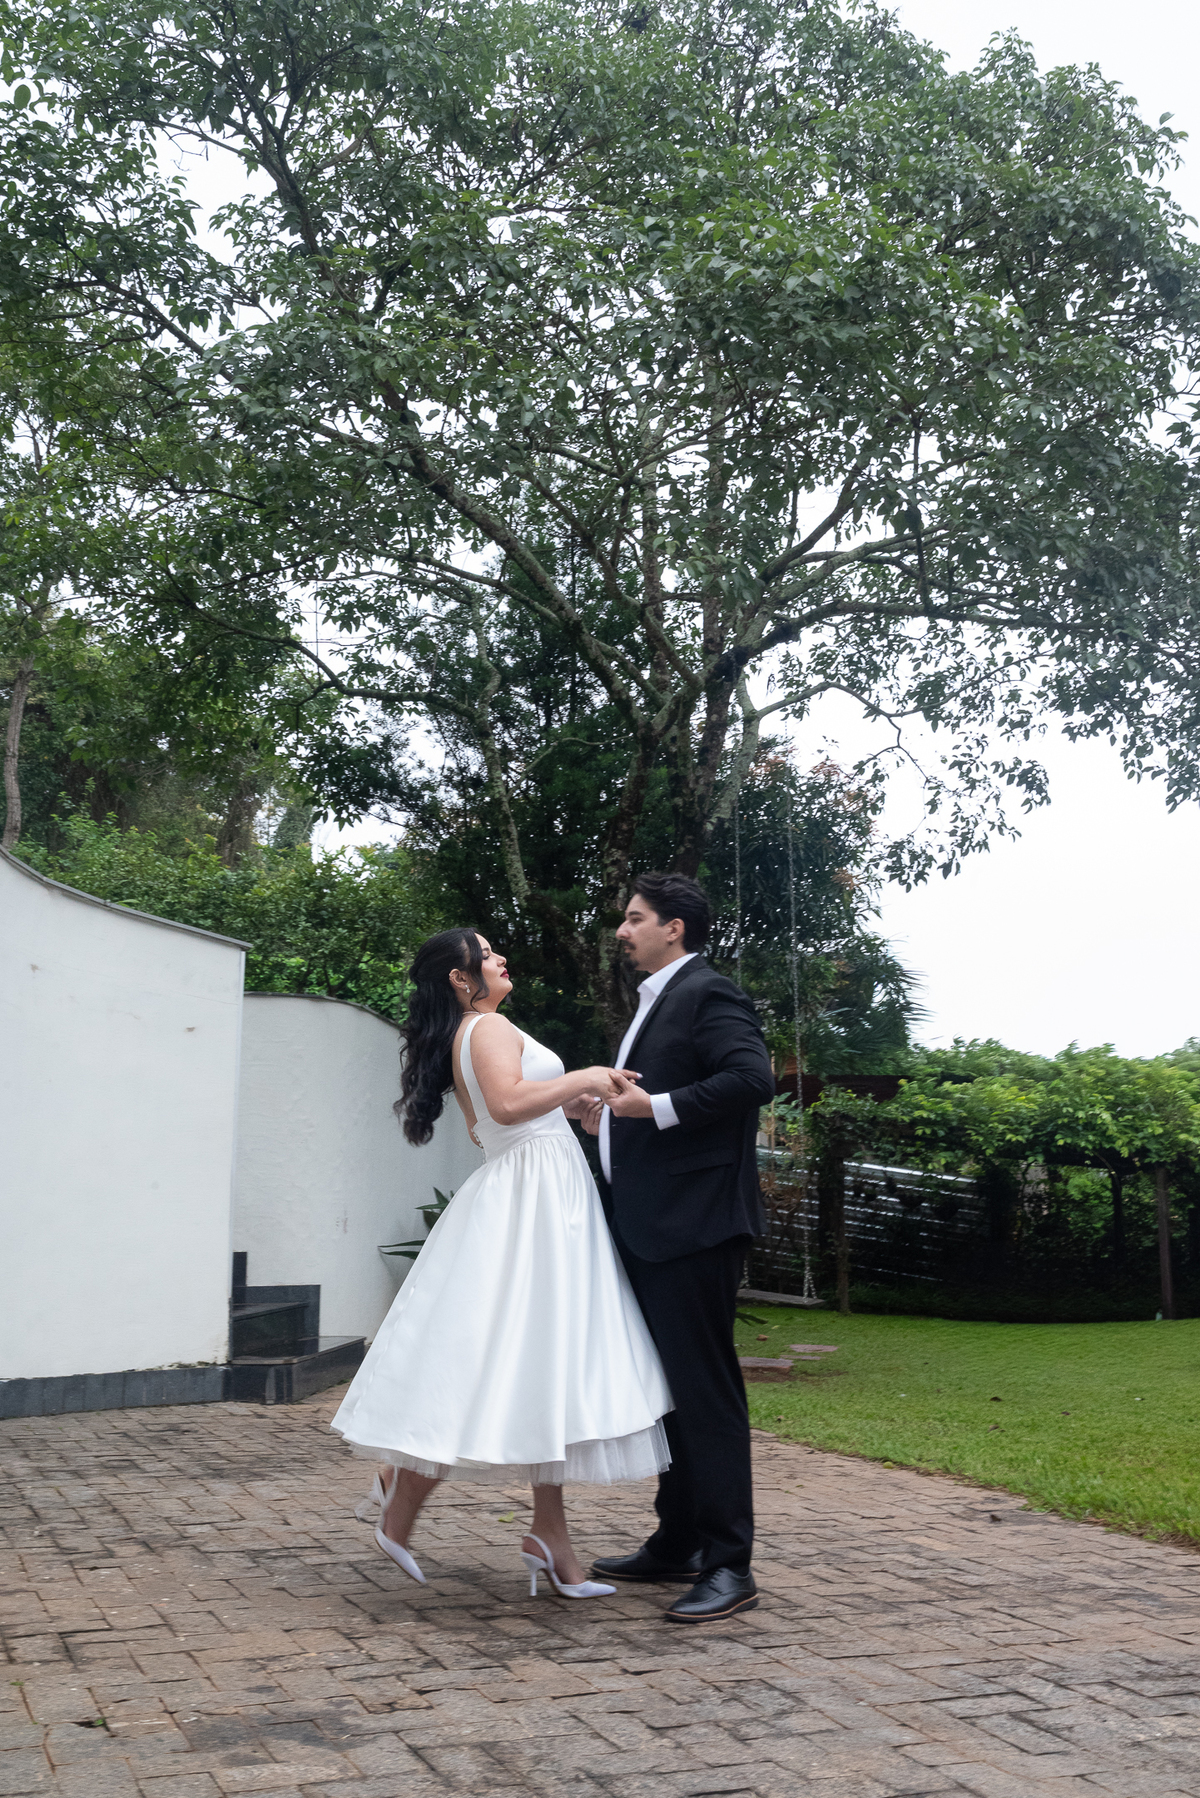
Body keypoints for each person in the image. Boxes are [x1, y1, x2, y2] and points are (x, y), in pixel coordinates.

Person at [330, 927, 672, 1599]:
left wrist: (572, 1106)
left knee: (544, 1362)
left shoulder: (478, 1031)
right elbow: (508, 1105)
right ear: (462, 980)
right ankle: (410, 1499)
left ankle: (548, 1535)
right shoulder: (486, 1027)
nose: (501, 959)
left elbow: (502, 1117)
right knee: (510, 1358)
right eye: (486, 955)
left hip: (539, 1193)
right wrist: (584, 1077)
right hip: (530, 1204)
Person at [582, 872, 776, 1623]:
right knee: (669, 1398)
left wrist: (653, 1107)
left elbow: (750, 1079)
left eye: (634, 919)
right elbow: (649, 1112)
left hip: (695, 1228)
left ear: (675, 929)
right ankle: (678, 1542)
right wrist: (608, 1120)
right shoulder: (656, 1003)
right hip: (652, 1227)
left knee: (705, 1396)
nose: (622, 931)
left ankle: (731, 1566)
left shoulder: (707, 993)